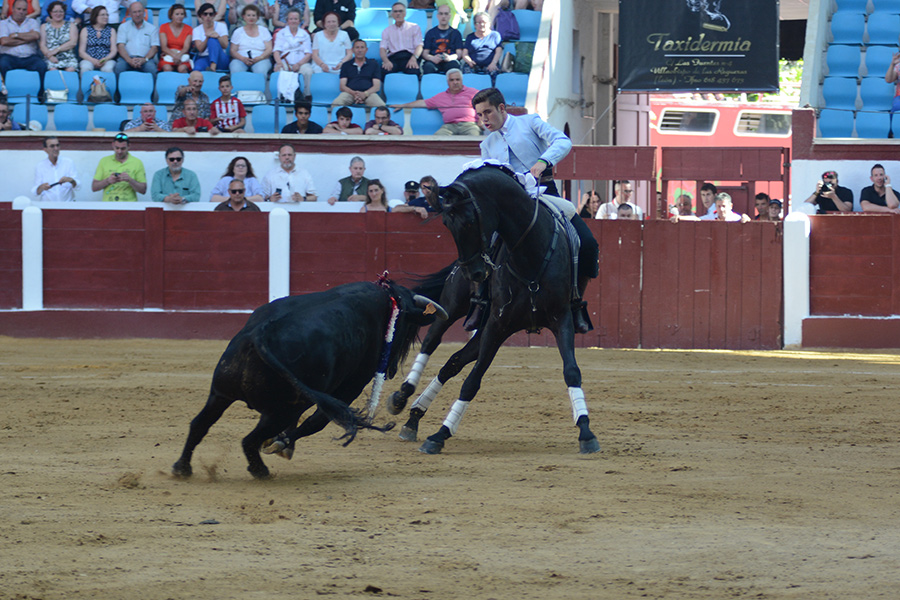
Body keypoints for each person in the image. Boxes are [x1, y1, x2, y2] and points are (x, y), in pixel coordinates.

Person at [473, 86, 598, 333]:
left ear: (501, 108)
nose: (483, 119)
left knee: (588, 244)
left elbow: (562, 141)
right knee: (479, 247)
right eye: (479, 115)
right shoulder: (487, 145)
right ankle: (481, 303)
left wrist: (543, 161)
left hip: (544, 196)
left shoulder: (530, 122)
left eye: (487, 112)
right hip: (508, 208)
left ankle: (575, 305)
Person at [391, 68, 480, 135]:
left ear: (461, 80)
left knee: (474, 138)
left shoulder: (473, 92)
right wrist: (403, 105)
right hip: (449, 126)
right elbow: (422, 103)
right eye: (452, 80)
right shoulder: (440, 97)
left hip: (469, 125)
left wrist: (481, 120)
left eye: (457, 79)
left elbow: (484, 105)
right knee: (437, 139)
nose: (455, 82)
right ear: (447, 82)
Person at [91, 132, 147, 202]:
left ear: (129, 146)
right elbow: (94, 187)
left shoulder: (137, 162)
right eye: (117, 148)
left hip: (129, 206)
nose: (119, 151)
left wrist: (130, 180)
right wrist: (108, 181)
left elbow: (143, 190)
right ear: (112, 145)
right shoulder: (104, 161)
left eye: (123, 148)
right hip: (108, 205)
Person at [0, 0, 46, 82]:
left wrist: (16, 35)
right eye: (19, 9)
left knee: (41, 65)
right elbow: (4, 41)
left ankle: (40, 93)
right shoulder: (3, 23)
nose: (21, 12)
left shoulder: (33, 22)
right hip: (9, 57)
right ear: (13, 9)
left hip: (30, 58)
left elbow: (35, 36)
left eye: (24, 10)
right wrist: (27, 39)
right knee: (2, 64)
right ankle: (4, 92)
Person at [333, 38, 385, 107]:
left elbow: (376, 87)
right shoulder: (346, 65)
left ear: (366, 50)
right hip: (350, 93)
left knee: (381, 106)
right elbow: (342, 86)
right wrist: (354, 93)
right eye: (357, 48)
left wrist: (364, 94)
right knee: (335, 104)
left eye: (362, 47)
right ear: (352, 50)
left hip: (369, 94)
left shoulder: (374, 64)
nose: (359, 50)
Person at [272, 7, 312, 95]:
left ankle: (306, 96)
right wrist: (279, 63)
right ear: (287, 20)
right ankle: (283, 97)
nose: (293, 21)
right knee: (280, 70)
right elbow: (276, 51)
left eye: (296, 19)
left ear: (299, 20)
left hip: (301, 63)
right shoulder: (281, 33)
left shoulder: (305, 34)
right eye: (291, 19)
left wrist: (298, 64)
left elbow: (308, 54)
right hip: (284, 62)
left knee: (308, 71)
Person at [114, 1, 159, 75]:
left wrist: (144, 60)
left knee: (152, 70)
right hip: (126, 59)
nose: (137, 14)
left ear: (144, 12)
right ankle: (118, 87)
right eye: (134, 12)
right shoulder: (123, 27)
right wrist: (129, 60)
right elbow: (120, 46)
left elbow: (154, 48)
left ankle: (153, 87)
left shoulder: (152, 28)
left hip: (145, 59)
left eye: (139, 11)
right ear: (130, 14)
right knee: (119, 67)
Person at [380, 2, 422, 76]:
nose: (398, 13)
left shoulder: (414, 27)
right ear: (392, 14)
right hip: (394, 58)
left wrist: (414, 58)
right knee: (384, 71)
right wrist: (386, 61)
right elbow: (382, 49)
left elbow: (419, 46)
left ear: (405, 13)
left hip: (409, 56)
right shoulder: (387, 31)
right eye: (395, 11)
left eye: (400, 11)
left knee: (414, 71)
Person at [229, 4, 272, 75]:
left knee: (260, 71)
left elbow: (269, 49)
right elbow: (233, 50)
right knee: (236, 70)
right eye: (248, 15)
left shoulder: (264, 31)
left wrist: (259, 58)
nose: (251, 18)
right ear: (243, 17)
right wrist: (243, 58)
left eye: (253, 15)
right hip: (241, 59)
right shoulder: (238, 31)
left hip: (261, 59)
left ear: (258, 17)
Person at [33, 136, 78, 201]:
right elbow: (36, 192)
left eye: (57, 145)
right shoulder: (40, 166)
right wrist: (41, 187)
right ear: (45, 150)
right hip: (48, 207)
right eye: (52, 146)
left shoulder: (68, 162)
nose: (56, 148)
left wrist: (71, 180)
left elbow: (78, 186)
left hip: (67, 205)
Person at [422, 4, 462, 74]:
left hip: (450, 61)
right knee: (428, 67)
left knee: (454, 66)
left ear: (450, 16)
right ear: (437, 16)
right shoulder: (430, 33)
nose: (443, 16)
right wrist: (432, 58)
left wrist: (450, 58)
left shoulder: (456, 33)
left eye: (446, 14)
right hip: (434, 61)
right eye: (441, 14)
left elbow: (459, 53)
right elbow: (425, 53)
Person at [310, 11, 352, 78]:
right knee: (317, 70)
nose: (331, 24)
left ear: (338, 23)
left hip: (340, 65)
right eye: (328, 22)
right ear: (324, 24)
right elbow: (314, 55)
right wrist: (322, 65)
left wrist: (342, 63)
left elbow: (349, 54)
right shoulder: (318, 35)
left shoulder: (344, 34)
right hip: (321, 66)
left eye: (334, 21)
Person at [39, 1, 77, 72]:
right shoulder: (44, 26)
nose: (58, 14)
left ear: (64, 13)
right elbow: (42, 45)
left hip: (68, 57)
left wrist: (56, 50)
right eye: (55, 11)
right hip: (50, 57)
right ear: (50, 13)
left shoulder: (71, 25)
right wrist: (50, 56)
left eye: (61, 11)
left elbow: (73, 42)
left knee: (70, 70)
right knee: (53, 71)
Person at [462, 11, 501, 77]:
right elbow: (465, 54)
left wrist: (493, 63)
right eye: (479, 22)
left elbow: (499, 51)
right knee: (467, 74)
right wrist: (469, 61)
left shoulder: (495, 35)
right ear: (475, 25)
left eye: (484, 22)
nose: (482, 24)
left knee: (494, 72)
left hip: (490, 64)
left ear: (489, 23)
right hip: (473, 64)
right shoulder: (470, 37)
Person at [77, 4, 114, 74]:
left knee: (108, 69)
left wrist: (105, 59)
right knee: (85, 68)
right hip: (89, 59)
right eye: (103, 15)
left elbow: (114, 51)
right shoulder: (85, 30)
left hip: (106, 60)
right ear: (95, 16)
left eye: (107, 15)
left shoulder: (111, 30)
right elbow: (81, 52)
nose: (106, 17)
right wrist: (92, 60)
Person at [192, 2, 229, 72]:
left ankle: (213, 66)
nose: (208, 16)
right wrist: (207, 37)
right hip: (204, 57)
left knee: (213, 40)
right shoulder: (196, 30)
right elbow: (200, 49)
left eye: (211, 14)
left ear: (214, 15)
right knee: (197, 69)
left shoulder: (222, 26)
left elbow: (225, 45)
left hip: (220, 58)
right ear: (201, 15)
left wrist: (217, 37)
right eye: (205, 14)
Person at [158, 3, 192, 73]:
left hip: (182, 56)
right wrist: (174, 56)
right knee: (167, 68)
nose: (180, 16)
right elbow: (164, 47)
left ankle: (184, 84)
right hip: (168, 55)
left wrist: (178, 56)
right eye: (177, 14)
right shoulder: (163, 27)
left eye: (182, 14)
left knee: (182, 68)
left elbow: (186, 48)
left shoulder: (189, 29)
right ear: (171, 15)